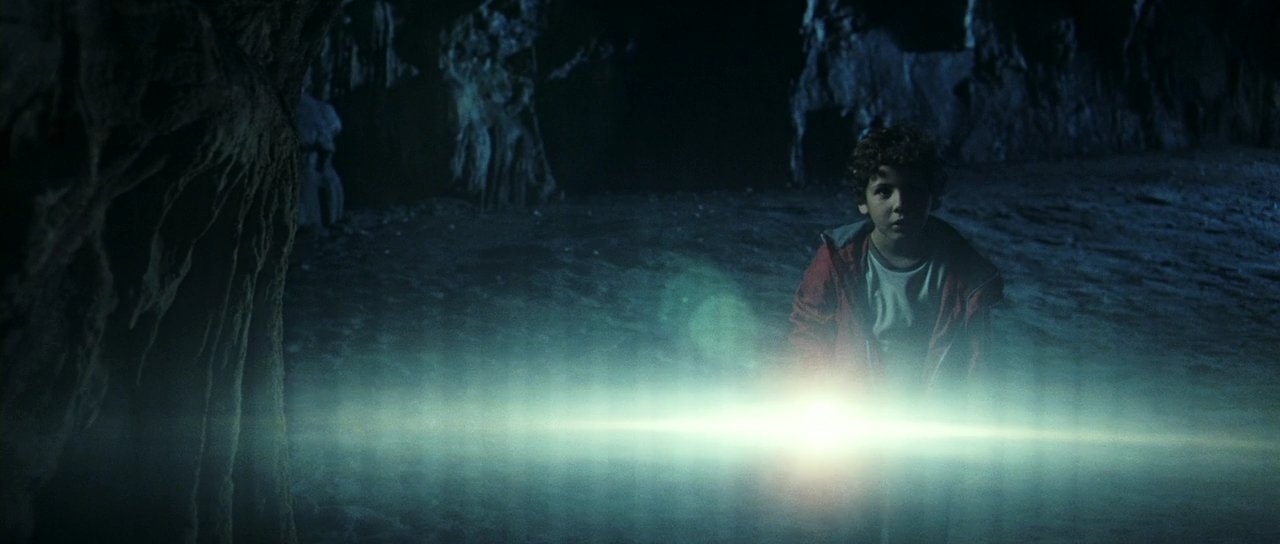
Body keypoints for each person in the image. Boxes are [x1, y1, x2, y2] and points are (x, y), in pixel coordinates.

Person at [787, 125, 1003, 542]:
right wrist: (817, 394)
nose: (900, 204)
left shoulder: (960, 269)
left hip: (928, 420)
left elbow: (977, 356)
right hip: (856, 418)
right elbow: (808, 328)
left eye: (914, 190)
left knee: (920, 526)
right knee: (855, 523)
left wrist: (970, 421)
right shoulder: (839, 258)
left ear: (933, 197)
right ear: (862, 201)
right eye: (884, 191)